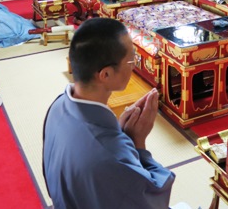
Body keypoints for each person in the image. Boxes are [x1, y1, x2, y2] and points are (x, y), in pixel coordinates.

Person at [43, 18, 174, 209]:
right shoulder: (111, 155)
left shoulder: (58, 105)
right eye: (131, 60)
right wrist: (138, 144)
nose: (134, 66)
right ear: (105, 74)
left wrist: (120, 135)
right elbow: (152, 199)